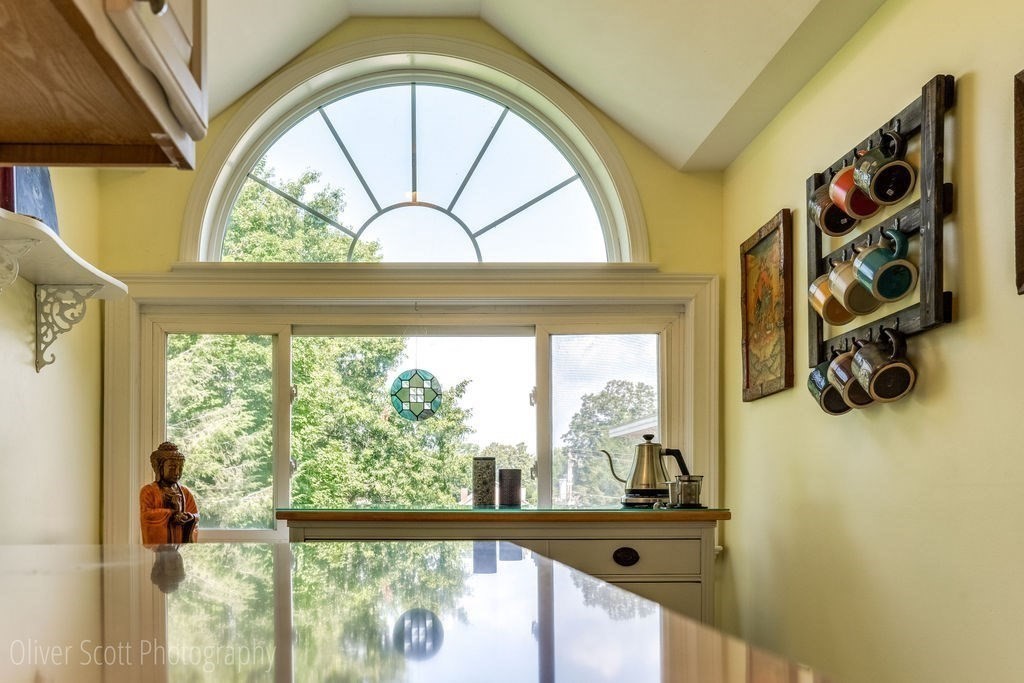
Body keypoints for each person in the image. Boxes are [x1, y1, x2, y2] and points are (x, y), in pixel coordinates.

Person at [140, 442, 199, 545]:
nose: (177, 472)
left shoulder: (185, 492)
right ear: (160, 468)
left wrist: (189, 517)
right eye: (172, 468)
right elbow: (146, 516)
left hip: (179, 544)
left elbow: (195, 515)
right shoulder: (149, 491)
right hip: (159, 548)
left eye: (180, 468)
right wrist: (172, 514)